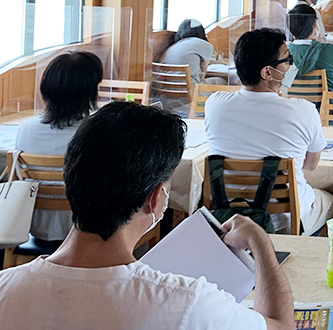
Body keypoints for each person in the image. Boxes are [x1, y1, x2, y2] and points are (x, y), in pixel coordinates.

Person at [0, 101, 293, 330]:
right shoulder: (188, 302)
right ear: (154, 198)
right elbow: (280, 326)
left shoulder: (5, 288)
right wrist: (261, 243)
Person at [204, 27, 333, 235]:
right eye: (288, 59)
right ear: (267, 73)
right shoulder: (303, 110)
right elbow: (311, 165)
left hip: (228, 218)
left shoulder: (214, 104)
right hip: (284, 220)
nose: (292, 65)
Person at [14, 51, 103, 242]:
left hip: (34, 225)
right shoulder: (96, 132)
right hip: (84, 228)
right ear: (90, 93)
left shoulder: (26, 129)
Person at [287, 3, 333, 90]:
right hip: (325, 98)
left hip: (291, 98)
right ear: (314, 24)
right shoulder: (329, 50)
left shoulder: (285, 52)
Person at [161, 18, 214, 85]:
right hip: (189, 88)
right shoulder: (205, 44)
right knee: (221, 81)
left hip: (165, 87)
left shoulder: (174, 46)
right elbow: (202, 74)